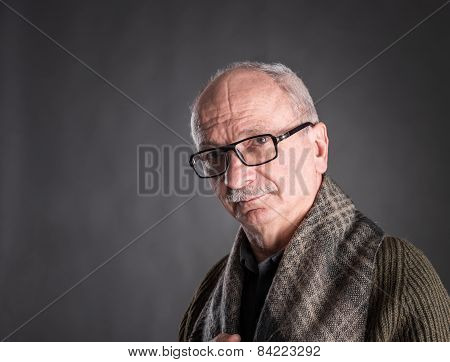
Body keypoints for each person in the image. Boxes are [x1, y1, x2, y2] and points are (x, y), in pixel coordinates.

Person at [179, 61, 449, 342]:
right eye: (213, 155)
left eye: (258, 142)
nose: (234, 179)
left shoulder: (394, 274)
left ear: (318, 148)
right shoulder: (209, 292)